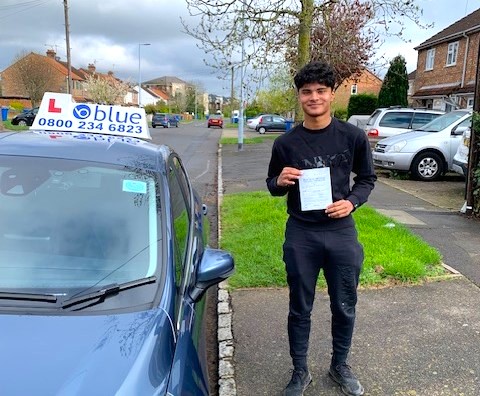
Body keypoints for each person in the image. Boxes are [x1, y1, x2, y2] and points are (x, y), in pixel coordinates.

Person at [266, 61, 376, 396]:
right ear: (299, 96)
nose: (313, 97)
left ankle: (339, 365)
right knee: (300, 305)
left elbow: (367, 179)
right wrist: (280, 181)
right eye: (307, 91)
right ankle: (300, 371)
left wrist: (352, 201)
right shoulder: (285, 143)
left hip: (341, 231)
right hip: (302, 232)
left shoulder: (352, 137)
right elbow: (273, 184)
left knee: (345, 302)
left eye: (320, 91)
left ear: (331, 94)